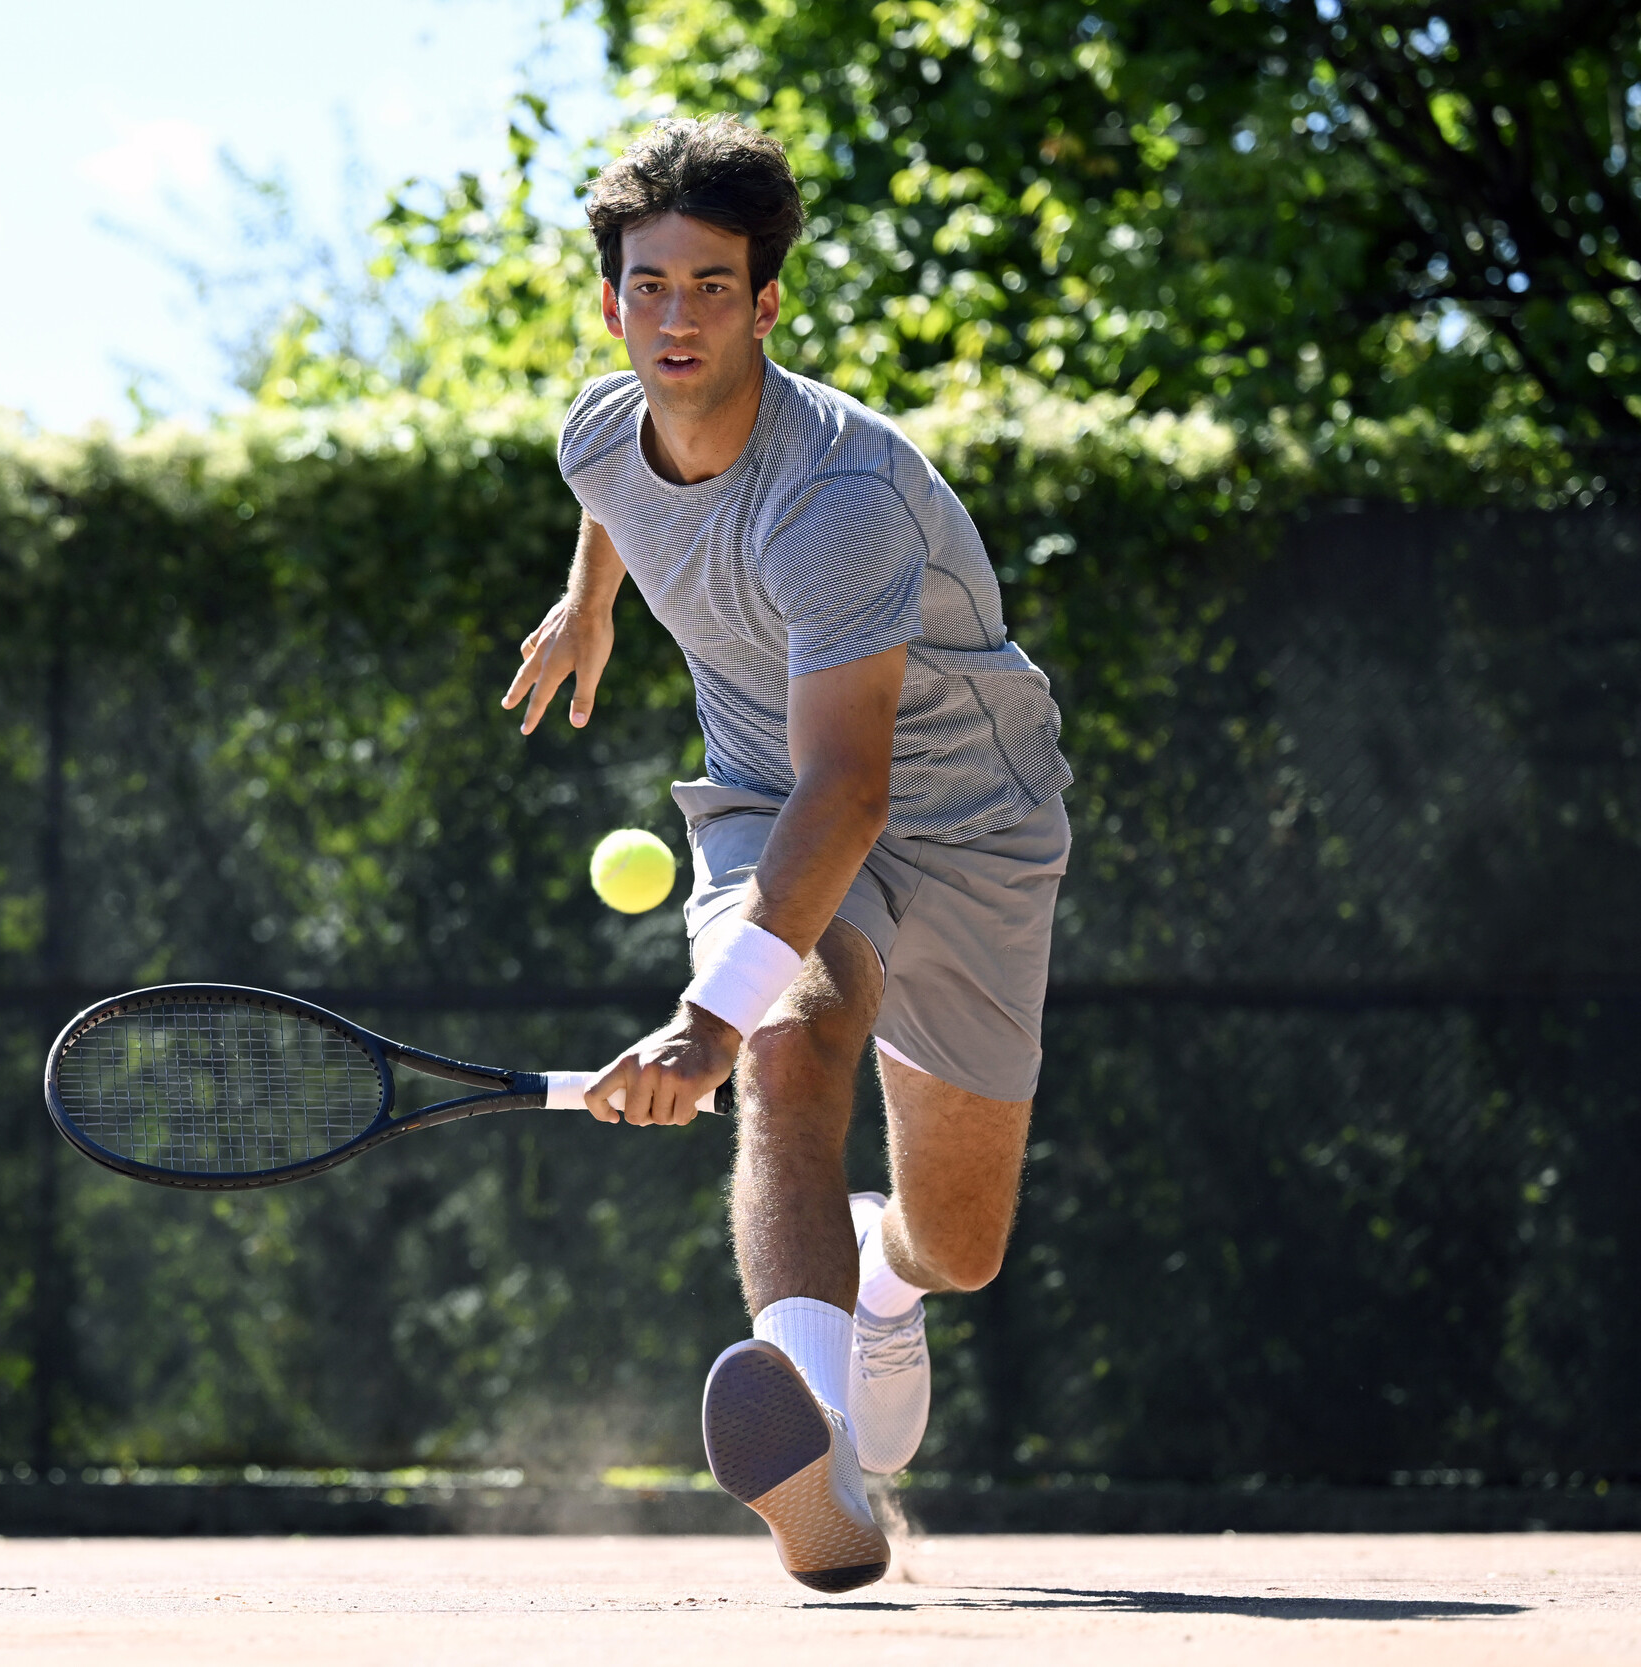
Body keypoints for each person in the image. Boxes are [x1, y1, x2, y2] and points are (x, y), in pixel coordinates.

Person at [501, 115, 1072, 1593]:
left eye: (710, 287)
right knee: (795, 1036)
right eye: (647, 286)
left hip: (965, 823)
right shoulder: (594, 429)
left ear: (768, 302)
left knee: (962, 1245)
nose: (674, 318)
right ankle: (814, 1447)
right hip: (765, 792)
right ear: (610, 297)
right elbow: (613, 496)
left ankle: (884, 1283)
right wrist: (594, 608)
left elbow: (857, 790)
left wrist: (698, 1020)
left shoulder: (840, 501)